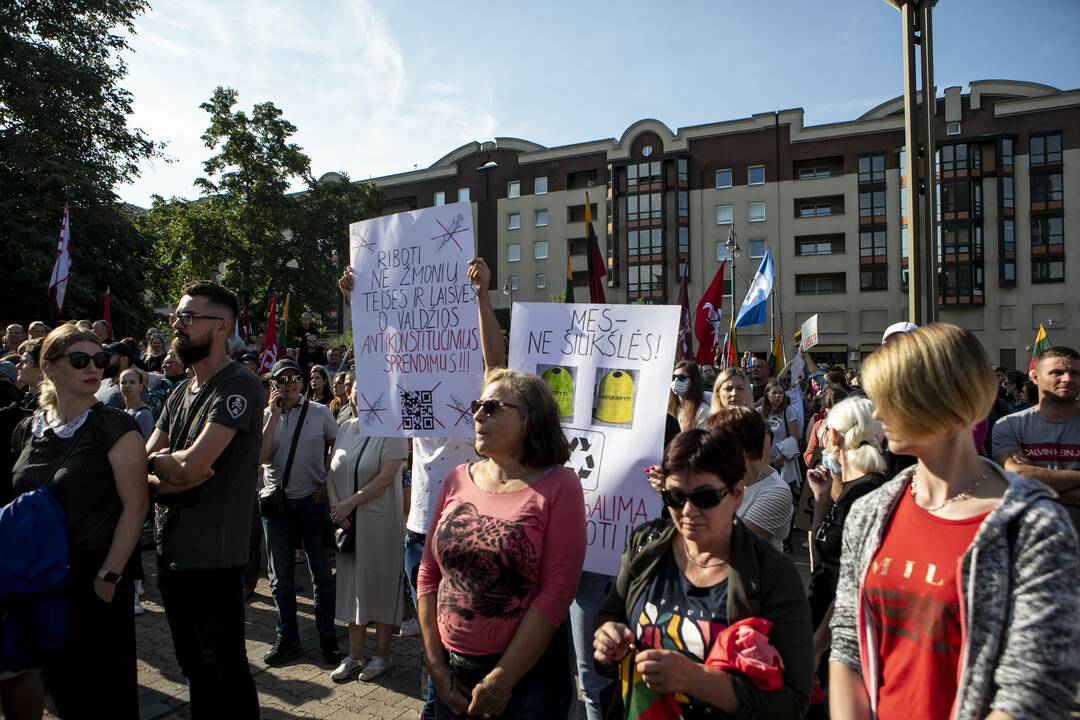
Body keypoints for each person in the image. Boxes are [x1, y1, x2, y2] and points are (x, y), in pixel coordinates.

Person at [830, 324, 1080, 719]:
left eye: (890, 399)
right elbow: (848, 643)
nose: (877, 414)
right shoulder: (871, 511)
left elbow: (1034, 689)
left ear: (943, 399)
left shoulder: (1033, 525)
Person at [341, 257, 505, 719]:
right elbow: (379, 356)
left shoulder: (477, 392)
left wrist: (482, 296)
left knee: (466, 640)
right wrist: (361, 301)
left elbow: (496, 361)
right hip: (420, 530)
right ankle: (433, 708)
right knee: (431, 645)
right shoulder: (409, 388)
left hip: (471, 528)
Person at [593, 427, 812, 719]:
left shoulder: (771, 574)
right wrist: (609, 641)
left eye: (705, 498)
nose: (687, 511)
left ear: (736, 494)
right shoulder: (645, 544)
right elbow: (612, 615)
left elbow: (794, 702)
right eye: (674, 497)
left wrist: (698, 680)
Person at [417, 369, 586, 719]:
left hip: (526, 684)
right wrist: (436, 667)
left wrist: (501, 681)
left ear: (530, 419)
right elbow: (428, 573)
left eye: (492, 407)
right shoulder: (456, 479)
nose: (477, 414)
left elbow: (557, 592)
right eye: (477, 405)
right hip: (450, 673)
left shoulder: (560, 486)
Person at [11, 324, 148, 717]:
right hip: (38, 580)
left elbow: (135, 507)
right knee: (60, 689)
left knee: (102, 696)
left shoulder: (115, 426)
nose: (93, 368)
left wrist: (108, 578)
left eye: (100, 360)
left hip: (92, 575)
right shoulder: (28, 428)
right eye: (80, 360)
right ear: (50, 367)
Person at [146, 281, 263, 719]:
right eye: (177, 316)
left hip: (214, 557)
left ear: (221, 328)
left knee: (225, 670)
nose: (178, 324)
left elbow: (195, 467)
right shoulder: (178, 393)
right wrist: (166, 471)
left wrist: (168, 469)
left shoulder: (239, 385)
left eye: (189, 317)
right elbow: (147, 463)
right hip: (171, 552)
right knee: (193, 668)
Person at [803, 397, 887, 700]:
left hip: (841, 642)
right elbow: (823, 556)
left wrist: (815, 648)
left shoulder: (868, 493)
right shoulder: (849, 490)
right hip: (825, 626)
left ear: (834, 437)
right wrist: (822, 499)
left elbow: (855, 587)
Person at [259, 358, 340, 665]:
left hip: (313, 503)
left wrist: (328, 483)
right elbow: (259, 456)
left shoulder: (319, 412)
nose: (291, 384)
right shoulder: (267, 415)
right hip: (277, 506)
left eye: (295, 378)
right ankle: (287, 637)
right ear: (274, 385)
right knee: (281, 579)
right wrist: (273, 418)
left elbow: (337, 446)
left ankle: (327, 636)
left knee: (322, 575)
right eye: (283, 379)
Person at [326, 391, 409, 682]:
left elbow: (386, 477)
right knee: (350, 587)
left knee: (381, 584)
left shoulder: (392, 429)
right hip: (347, 524)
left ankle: (382, 655)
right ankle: (355, 654)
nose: (362, 398)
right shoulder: (346, 426)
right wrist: (337, 507)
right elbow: (330, 472)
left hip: (379, 521)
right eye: (356, 393)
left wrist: (348, 504)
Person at [993, 345, 1080, 533]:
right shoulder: (1009, 425)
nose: (1067, 379)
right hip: (1026, 537)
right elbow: (1017, 478)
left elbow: (1023, 485)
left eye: (1075, 373)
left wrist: (1033, 482)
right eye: (1057, 372)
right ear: (1034, 377)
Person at [707, 406, 793, 552]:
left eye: (719, 443)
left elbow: (734, 545)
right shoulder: (723, 478)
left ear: (744, 446)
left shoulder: (776, 492)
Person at [667, 360, 710, 432]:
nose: (676, 381)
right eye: (674, 377)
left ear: (693, 381)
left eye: (682, 377)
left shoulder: (702, 410)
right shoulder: (667, 407)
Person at [95, 341, 137, 409]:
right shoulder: (103, 382)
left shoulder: (135, 387)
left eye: (110, 355)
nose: (106, 359)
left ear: (124, 360)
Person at [119, 368, 154, 440]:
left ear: (140, 387)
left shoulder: (144, 414)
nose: (127, 385)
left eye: (132, 382)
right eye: (123, 382)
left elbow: (143, 445)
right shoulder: (123, 411)